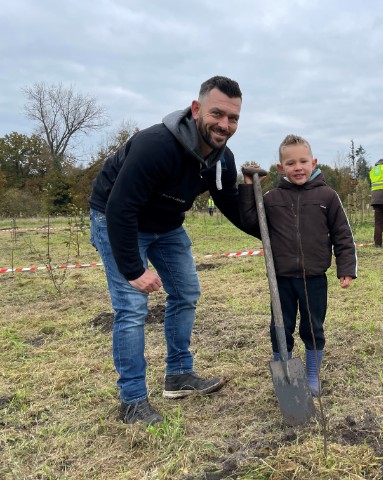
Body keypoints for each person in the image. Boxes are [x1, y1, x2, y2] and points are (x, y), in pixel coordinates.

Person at [88, 76, 259, 425]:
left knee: (185, 292)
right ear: (196, 109)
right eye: (217, 114)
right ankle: (132, 401)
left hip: (165, 225)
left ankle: (179, 374)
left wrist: (271, 233)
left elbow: (232, 209)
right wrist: (135, 269)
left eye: (233, 118)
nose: (224, 125)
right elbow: (121, 207)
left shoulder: (222, 161)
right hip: (117, 218)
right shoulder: (157, 145)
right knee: (133, 308)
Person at [239, 134, 357, 396]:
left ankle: (312, 374)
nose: (298, 167)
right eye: (291, 163)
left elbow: (342, 234)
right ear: (281, 168)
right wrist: (249, 186)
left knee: (313, 327)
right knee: (280, 327)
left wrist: (346, 267)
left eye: (303, 161)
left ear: (313, 162)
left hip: (314, 278)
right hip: (281, 279)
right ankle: (285, 375)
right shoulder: (271, 198)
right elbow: (250, 221)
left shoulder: (328, 196)